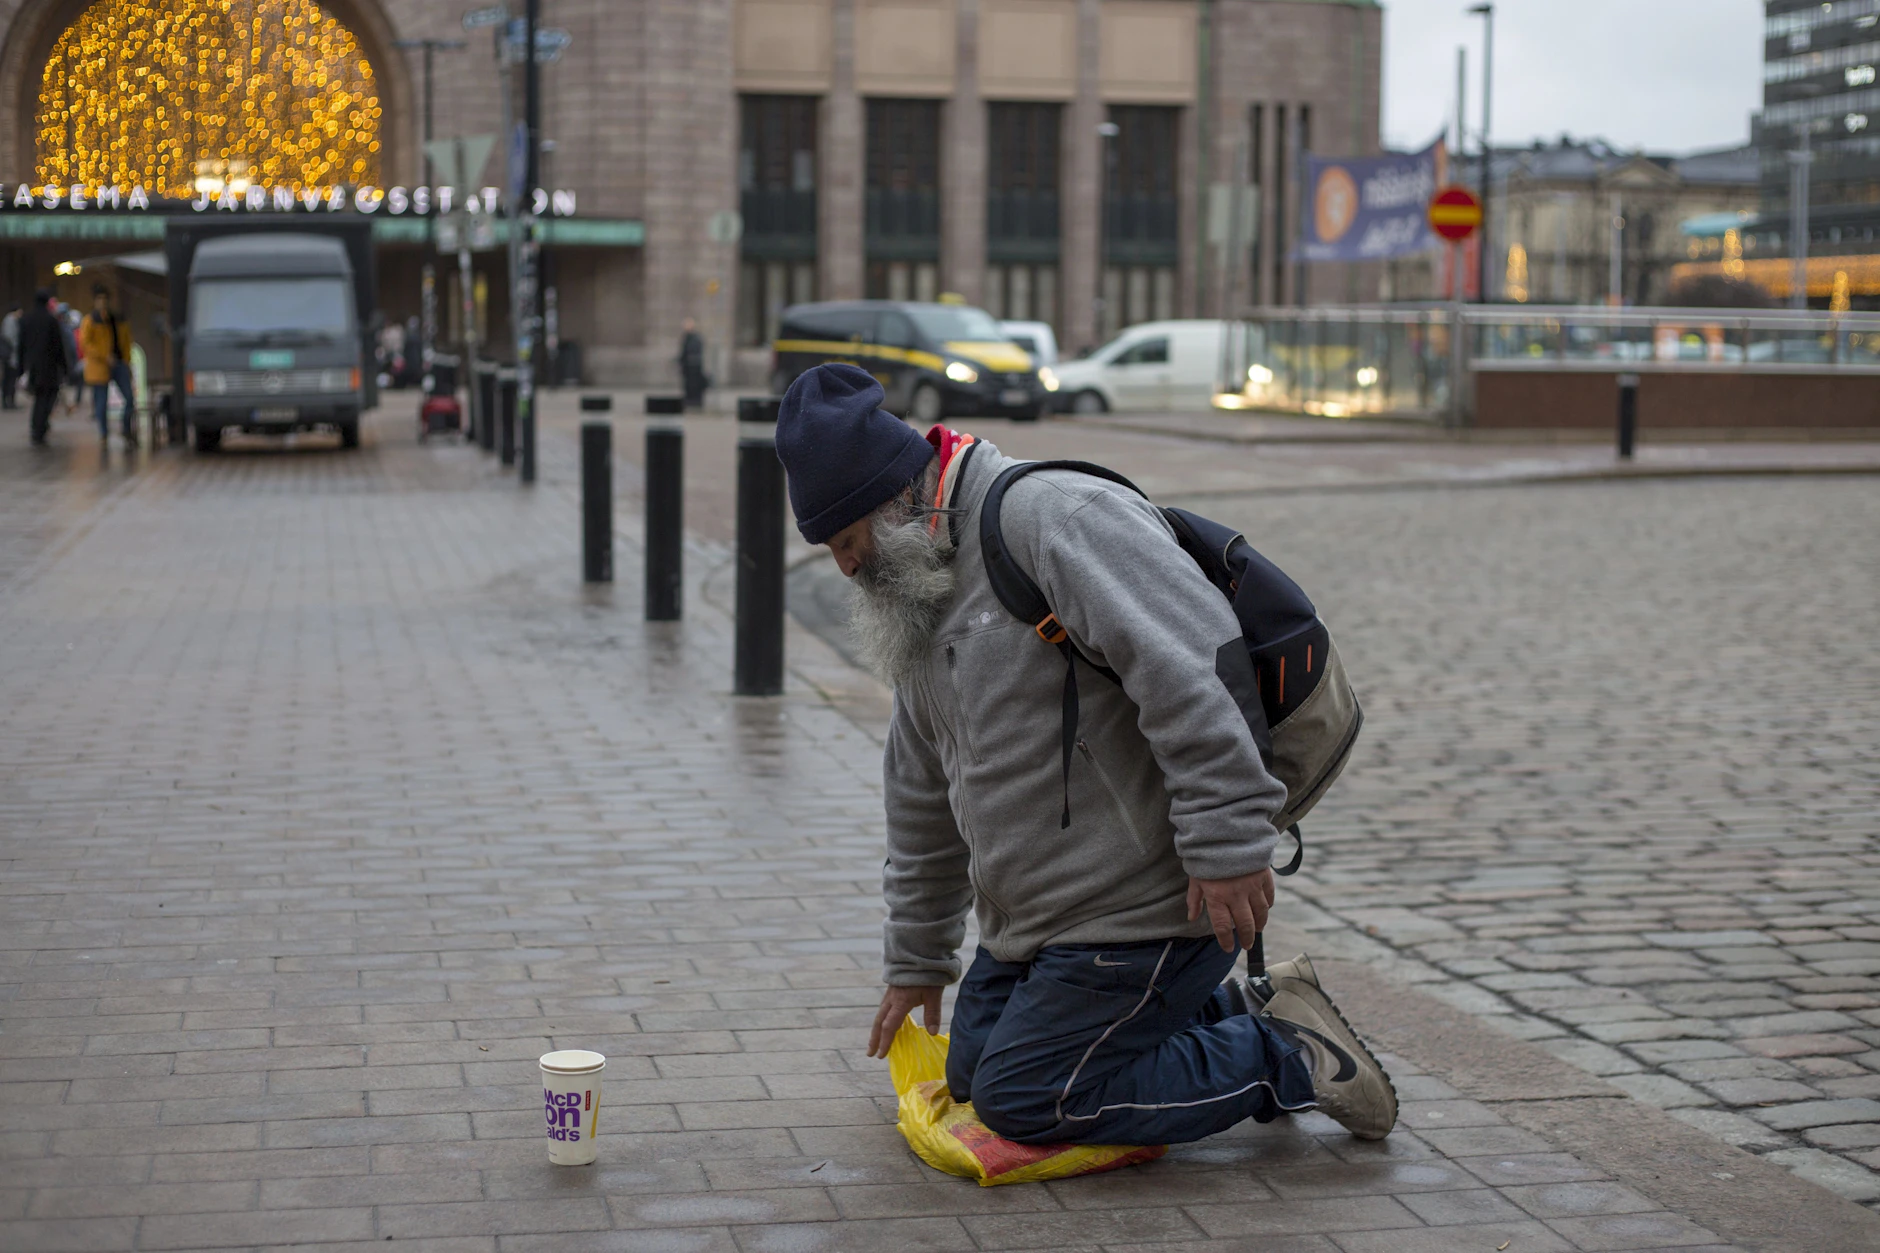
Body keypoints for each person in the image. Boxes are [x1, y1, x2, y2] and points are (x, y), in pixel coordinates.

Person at [773, 363, 1397, 1149]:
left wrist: (1229, 842)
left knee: (1026, 1096)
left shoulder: (1051, 519)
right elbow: (921, 787)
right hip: (1042, 922)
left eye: (849, 540)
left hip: (1148, 905)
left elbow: (1193, 667)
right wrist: (918, 954)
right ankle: (1228, 1014)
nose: (846, 566)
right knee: (970, 1072)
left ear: (901, 500)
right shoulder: (919, 583)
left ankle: (1292, 1057)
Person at [79, 285, 137, 446]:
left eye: (105, 299)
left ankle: (125, 428)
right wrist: (105, 356)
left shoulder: (117, 319)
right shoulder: (90, 321)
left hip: (119, 363)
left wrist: (127, 361)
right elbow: (85, 343)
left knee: (129, 398)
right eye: (99, 299)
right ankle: (104, 433)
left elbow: (126, 342)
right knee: (101, 402)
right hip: (99, 366)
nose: (103, 303)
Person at [16, 289, 71, 446]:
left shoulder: (26, 320)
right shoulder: (51, 320)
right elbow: (59, 346)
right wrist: (65, 367)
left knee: (39, 397)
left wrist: (21, 368)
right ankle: (40, 427)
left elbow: (21, 346)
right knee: (48, 397)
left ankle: (37, 427)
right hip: (50, 367)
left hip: (33, 367)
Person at [677, 317, 707, 409]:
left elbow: (694, 351)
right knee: (688, 386)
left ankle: (694, 401)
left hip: (694, 367)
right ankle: (690, 401)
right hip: (687, 367)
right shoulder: (686, 337)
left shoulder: (695, 338)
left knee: (694, 385)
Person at [0, 303, 20, 411]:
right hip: (10, 356)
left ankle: (7, 401)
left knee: (8, 379)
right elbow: (11, 339)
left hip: (8, 356)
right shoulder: (10, 321)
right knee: (10, 379)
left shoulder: (8, 321)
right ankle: (9, 401)